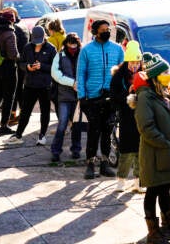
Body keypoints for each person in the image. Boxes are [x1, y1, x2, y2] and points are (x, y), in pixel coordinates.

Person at [133, 52, 170, 244]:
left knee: (166, 189)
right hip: (154, 153)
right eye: (164, 72)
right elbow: (145, 127)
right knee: (153, 190)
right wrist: (164, 143)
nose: (168, 75)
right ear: (155, 76)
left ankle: (166, 228)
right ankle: (153, 233)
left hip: (168, 152)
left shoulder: (165, 92)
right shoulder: (146, 96)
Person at [77, 19, 124, 180]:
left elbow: (122, 74)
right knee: (93, 131)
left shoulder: (117, 49)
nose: (106, 31)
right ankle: (90, 163)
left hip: (111, 97)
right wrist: (81, 96)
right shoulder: (86, 50)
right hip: (92, 97)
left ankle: (104, 163)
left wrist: (120, 94)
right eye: (103, 29)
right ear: (95, 32)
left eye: (108, 29)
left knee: (107, 130)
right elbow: (81, 73)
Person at [5, 25, 57, 145]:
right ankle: (18, 135)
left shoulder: (51, 49)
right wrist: (27, 67)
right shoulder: (28, 47)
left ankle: (42, 135)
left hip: (45, 85)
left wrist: (42, 66)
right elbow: (21, 63)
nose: (37, 44)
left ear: (44, 37)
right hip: (29, 84)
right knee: (25, 111)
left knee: (45, 111)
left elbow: (55, 68)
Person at [110, 40, 144, 193]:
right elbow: (114, 97)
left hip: (141, 116)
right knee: (126, 150)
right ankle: (121, 180)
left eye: (137, 62)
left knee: (140, 149)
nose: (134, 65)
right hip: (125, 116)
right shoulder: (118, 76)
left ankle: (138, 181)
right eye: (132, 62)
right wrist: (127, 92)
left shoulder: (144, 74)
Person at [50, 32, 82, 162]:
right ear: (66, 44)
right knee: (62, 124)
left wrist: (80, 84)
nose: (72, 47)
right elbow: (55, 73)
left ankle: (76, 149)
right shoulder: (60, 55)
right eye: (70, 44)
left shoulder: (82, 55)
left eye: (75, 45)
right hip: (64, 96)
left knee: (77, 125)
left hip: (79, 96)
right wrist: (72, 83)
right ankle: (55, 151)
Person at [2, 7, 30, 126]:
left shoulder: (13, 30)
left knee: (13, 89)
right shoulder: (23, 26)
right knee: (20, 89)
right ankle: (21, 113)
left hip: (15, 62)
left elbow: (13, 48)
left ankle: (13, 114)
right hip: (23, 62)